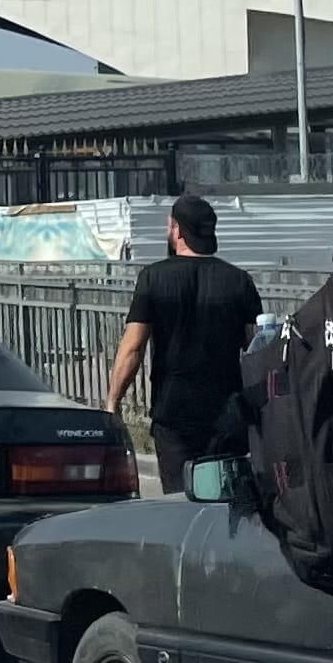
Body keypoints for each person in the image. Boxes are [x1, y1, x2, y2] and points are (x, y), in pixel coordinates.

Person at [107, 194, 261, 495]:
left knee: (179, 501)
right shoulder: (239, 281)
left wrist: (113, 402)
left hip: (174, 412)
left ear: (176, 230)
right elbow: (257, 347)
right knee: (226, 500)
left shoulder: (153, 279)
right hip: (227, 411)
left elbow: (133, 348)